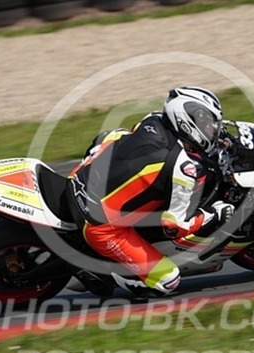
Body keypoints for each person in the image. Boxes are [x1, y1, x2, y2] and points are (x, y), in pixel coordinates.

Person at [66, 86, 235, 296]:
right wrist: (213, 214)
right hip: (100, 224)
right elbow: (174, 227)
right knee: (168, 280)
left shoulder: (154, 120)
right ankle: (105, 272)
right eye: (207, 122)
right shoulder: (183, 168)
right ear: (187, 121)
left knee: (114, 135)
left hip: (80, 177)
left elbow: (125, 136)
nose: (212, 128)